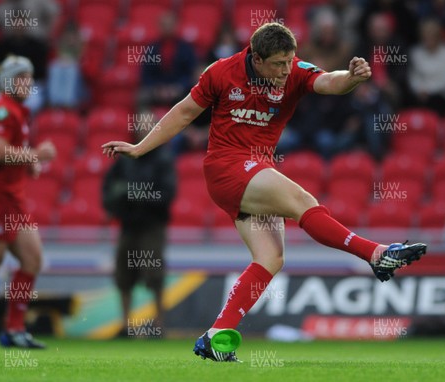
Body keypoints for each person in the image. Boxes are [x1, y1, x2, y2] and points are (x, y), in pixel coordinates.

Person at [102, 23, 426, 362]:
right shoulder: (222, 72)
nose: (286, 70)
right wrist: (140, 148)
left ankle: (216, 337)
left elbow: (329, 82)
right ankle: (376, 255)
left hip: (257, 171)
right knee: (303, 202)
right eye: (278, 64)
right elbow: (184, 112)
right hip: (226, 168)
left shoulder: (295, 71)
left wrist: (352, 77)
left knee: (271, 258)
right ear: (256, 58)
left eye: (289, 61)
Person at [0, 55, 56, 348]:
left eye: (29, 77)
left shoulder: (18, 112)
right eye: (21, 77)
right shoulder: (2, 111)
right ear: (8, 81)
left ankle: (14, 330)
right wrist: (35, 155)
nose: (28, 82)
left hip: (13, 201)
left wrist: (26, 163)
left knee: (32, 260)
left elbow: (6, 152)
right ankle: (13, 330)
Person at [102, 117, 175, 336]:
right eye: (140, 126)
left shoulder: (162, 158)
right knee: (123, 276)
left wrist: (133, 194)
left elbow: (168, 193)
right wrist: (117, 205)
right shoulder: (124, 160)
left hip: (152, 225)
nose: (143, 130)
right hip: (128, 225)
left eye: (148, 126)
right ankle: (126, 326)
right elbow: (108, 189)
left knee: (154, 275)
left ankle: (159, 326)